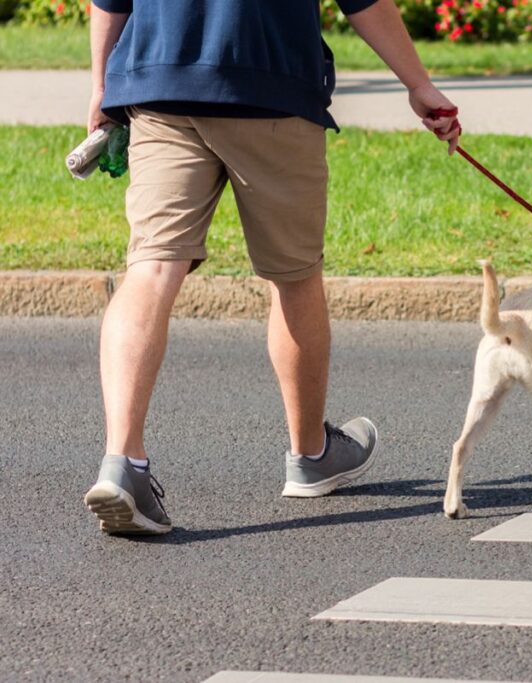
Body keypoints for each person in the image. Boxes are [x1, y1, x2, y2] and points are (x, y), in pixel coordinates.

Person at [83, 0, 461, 535]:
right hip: (271, 86)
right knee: (294, 276)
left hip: (159, 82)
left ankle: (122, 463)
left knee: (151, 267)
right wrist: (418, 83)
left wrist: (101, 85)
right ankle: (310, 455)